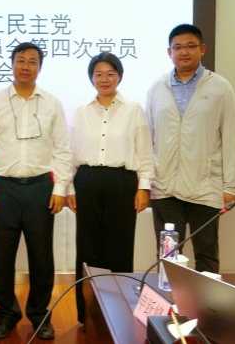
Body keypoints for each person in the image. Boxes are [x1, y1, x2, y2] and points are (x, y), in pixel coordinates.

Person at [0, 42, 73, 340]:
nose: (25, 66)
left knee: (41, 257)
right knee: (2, 256)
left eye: (32, 61)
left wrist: (60, 187)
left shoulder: (52, 103)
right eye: (20, 60)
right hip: (3, 188)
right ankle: (6, 315)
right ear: (12, 63)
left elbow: (63, 149)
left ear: (40, 68)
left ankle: (40, 316)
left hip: (40, 187)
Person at [145, 23, 235, 273]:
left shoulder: (220, 87)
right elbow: (147, 138)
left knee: (206, 254)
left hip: (205, 186)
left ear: (202, 49)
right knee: (168, 256)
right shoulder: (157, 87)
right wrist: (146, 181)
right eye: (178, 47)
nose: (184, 52)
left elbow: (231, 138)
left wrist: (232, 186)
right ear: (169, 52)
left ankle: (206, 300)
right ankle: (169, 298)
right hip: (165, 187)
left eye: (190, 46)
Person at [65, 52, 154, 323]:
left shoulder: (133, 109)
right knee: (88, 250)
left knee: (119, 249)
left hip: (121, 182)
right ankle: (88, 316)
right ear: (91, 78)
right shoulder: (82, 111)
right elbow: (71, 152)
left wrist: (144, 187)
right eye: (98, 74)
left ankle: (120, 317)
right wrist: (69, 187)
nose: (104, 79)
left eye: (110, 74)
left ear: (120, 76)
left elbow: (145, 152)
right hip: (87, 180)